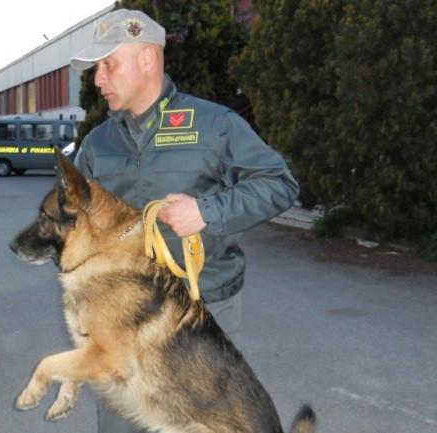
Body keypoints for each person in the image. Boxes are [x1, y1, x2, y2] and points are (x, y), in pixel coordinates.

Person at [69, 9, 299, 433]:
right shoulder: (97, 144)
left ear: (147, 59)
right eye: (97, 68)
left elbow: (278, 184)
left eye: (108, 65)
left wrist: (206, 212)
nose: (98, 79)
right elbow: (73, 219)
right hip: (124, 320)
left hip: (203, 312)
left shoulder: (215, 126)